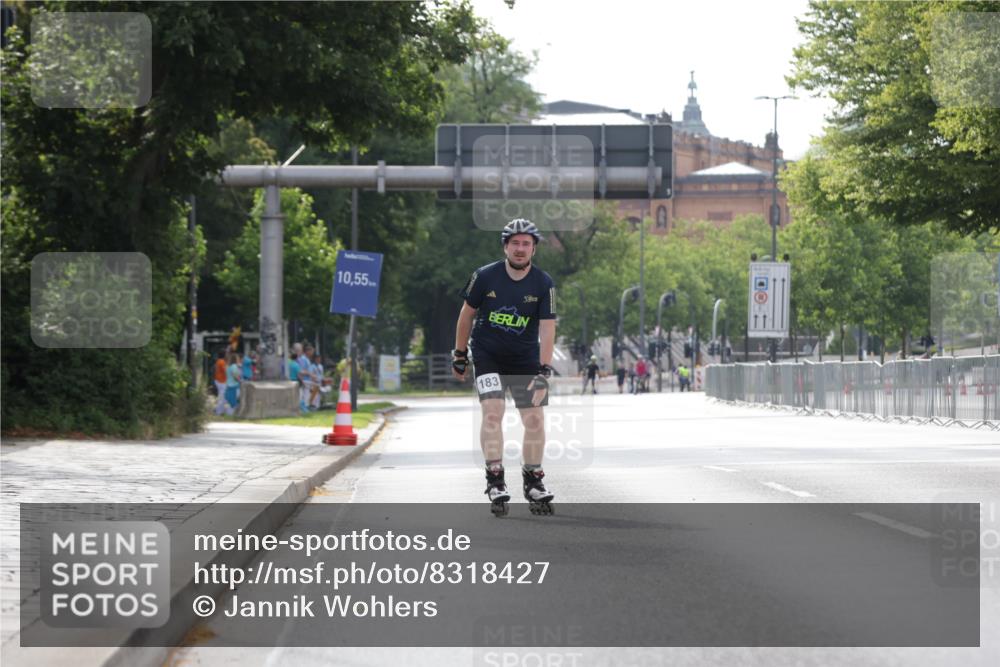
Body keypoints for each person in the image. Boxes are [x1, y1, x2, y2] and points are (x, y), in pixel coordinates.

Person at [452, 218, 557, 516]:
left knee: (535, 420)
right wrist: (460, 354)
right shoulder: (484, 276)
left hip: (525, 359)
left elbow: (548, 329)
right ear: (505, 246)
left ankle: (533, 479)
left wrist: (544, 368)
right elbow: (465, 316)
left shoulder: (543, 283)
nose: (520, 249)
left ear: (534, 249)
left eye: (526, 244)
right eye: (515, 243)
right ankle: (495, 478)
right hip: (488, 357)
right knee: (493, 413)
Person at [223, 351, 242, 415]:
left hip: (228, 385)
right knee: (236, 400)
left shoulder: (228, 366)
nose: (238, 359)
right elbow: (235, 376)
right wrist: (240, 381)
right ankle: (234, 414)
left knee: (230, 400)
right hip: (234, 385)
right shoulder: (234, 366)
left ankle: (229, 414)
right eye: (238, 358)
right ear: (235, 359)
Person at [212, 349, 229, 415]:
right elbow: (226, 371)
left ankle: (219, 410)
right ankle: (218, 411)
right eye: (226, 354)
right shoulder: (222, 362)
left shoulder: (219, 361)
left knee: (222, 396)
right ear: (224, 355)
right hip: (221, 381)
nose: (227, 355)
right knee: (222, 397)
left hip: (219, 380)